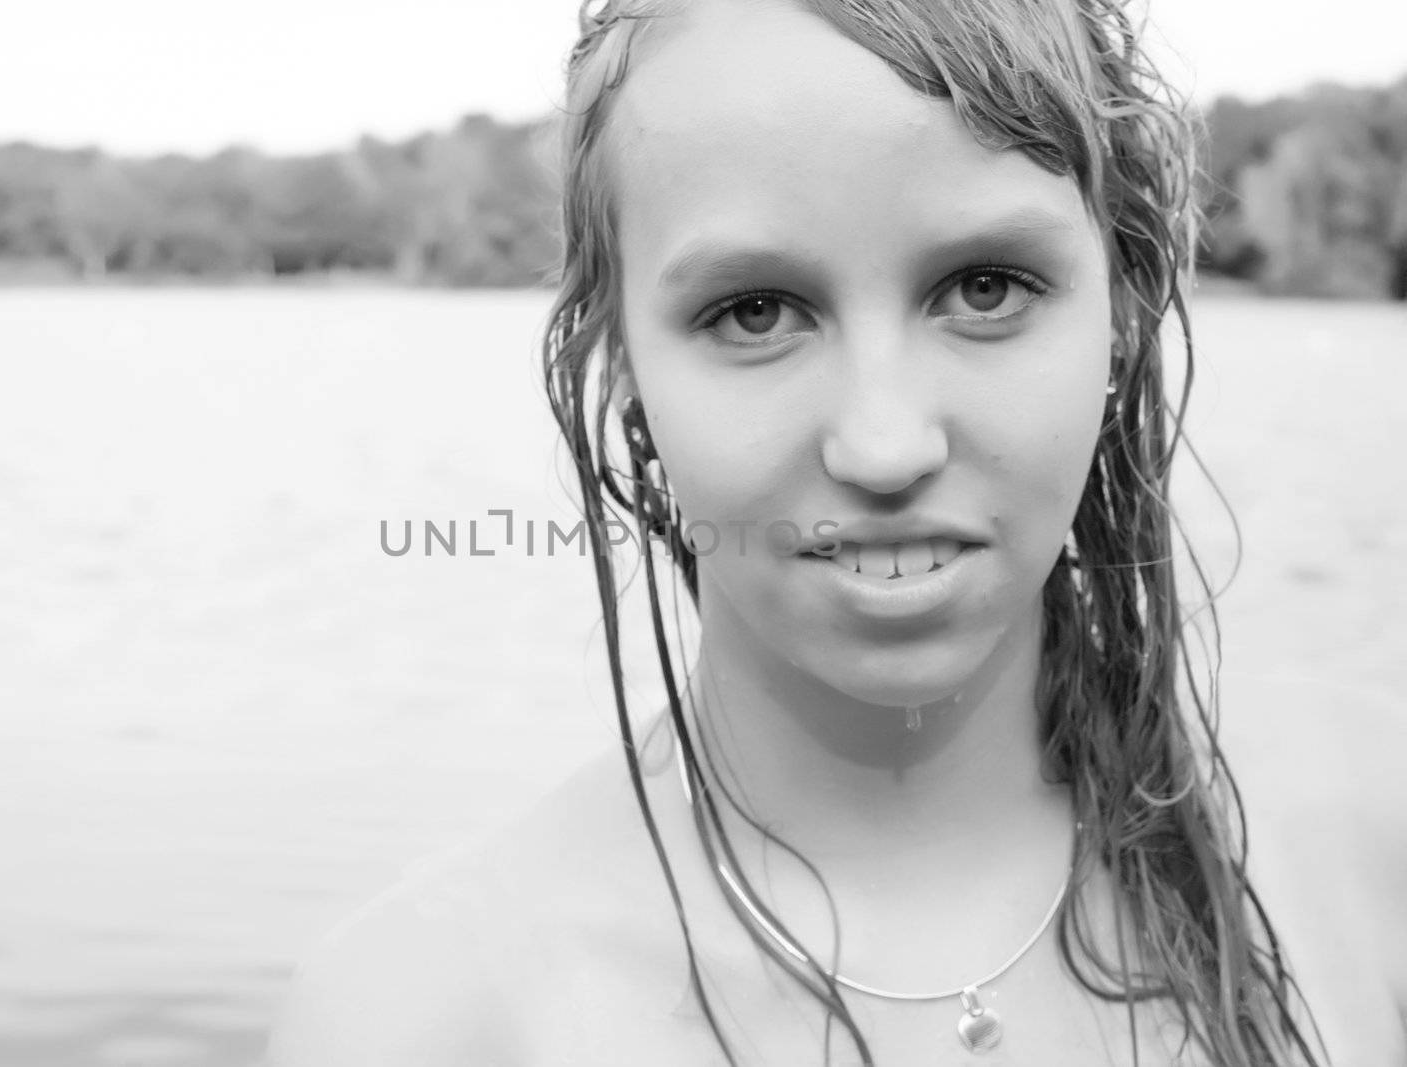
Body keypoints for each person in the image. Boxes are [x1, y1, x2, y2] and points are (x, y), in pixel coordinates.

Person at [268, 0, 1405, 1063]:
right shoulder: (419, 1016)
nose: (884, 442)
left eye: (986, 286)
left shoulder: (1369, 847)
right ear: (619, 370)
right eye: (754, 311)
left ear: (1118, 311)